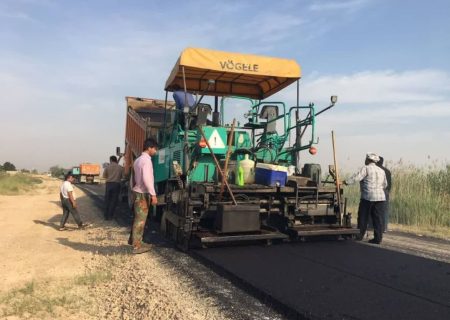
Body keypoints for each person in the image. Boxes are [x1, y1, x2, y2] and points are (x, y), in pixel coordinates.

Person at [343, 153, 387, 244]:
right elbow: (385, 185)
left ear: (368, 160)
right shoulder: (381, 171)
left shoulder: (366, 168)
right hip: (381, 197)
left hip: (368, 197)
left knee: (363, 217)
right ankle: (378, 238)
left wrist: (345, 182)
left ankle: (359, 236)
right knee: (377, 219)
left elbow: (356, 178)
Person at [130, 138, 158, 254]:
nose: (156, 151)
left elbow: (132, 178)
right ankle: (136, 246)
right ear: (149, 148)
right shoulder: (146, 161)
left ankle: (137, 241)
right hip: (142, 194)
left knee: (138, 218)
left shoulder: (137, 160)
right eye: (155, 149)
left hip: (137, 192)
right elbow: (147, 179)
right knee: (140, 220)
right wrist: (153, 194)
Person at [103, 155, 124, 220]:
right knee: (113, 201)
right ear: (115, 160)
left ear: (111, 160)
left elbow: (104, 176)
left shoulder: (107, 167)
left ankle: (106, 216)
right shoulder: (120, 167)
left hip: (109, 184)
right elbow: (123, 176)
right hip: (116, 185)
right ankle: (110, 216)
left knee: (107, 200)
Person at [377, 156, 392, 232]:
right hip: (386, 191)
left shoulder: (377, 170)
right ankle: (385, 227)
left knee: (375, 209)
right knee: (385, 210)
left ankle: (375, 227)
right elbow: (389, 184)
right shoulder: (387, 171)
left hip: (378, 191)